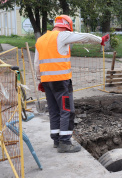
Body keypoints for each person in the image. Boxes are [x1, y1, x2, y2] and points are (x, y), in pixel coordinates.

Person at [34, 15, 109, 153]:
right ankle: (65, 143)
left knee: (54, 110)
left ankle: (56, 140)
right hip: (61, 82)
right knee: (67, 110)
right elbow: (84, 36)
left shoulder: (41, 40)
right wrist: (100, 40)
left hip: (47, 82)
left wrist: (40, 80)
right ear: (67, 25)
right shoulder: (62, 36)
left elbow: (37, 63)